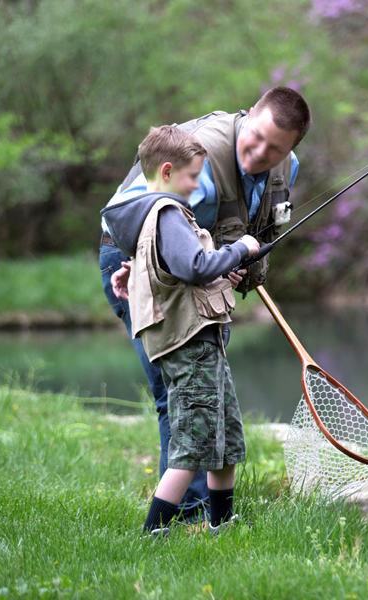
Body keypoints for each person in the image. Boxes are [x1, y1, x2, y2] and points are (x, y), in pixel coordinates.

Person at [98, 87, 312, 523]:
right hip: (134, 262)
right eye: (256, 137)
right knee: (178, 396)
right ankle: (183, 516)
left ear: (291, 150)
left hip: (200, 274)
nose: (260, 152)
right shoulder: (201, 157)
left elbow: (228, 240)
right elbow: (137, 220)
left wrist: (232, 266)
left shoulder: (285, 169)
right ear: (248, 114)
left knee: (207, 398)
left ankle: (213, 516)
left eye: (275, 148)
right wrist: (132, 267)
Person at [102, 125, 261, 534]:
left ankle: (221, 523)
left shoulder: (154, 217)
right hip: (190, 348)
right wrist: (240, 248)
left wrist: (225, 273)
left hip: (202, 343)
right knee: (190, 449)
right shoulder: (167, 212)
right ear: (168, 171)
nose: (197, 186)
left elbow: (175, 277)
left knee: (224, 441)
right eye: (194, 177)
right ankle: (153, 531)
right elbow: (193, 267)